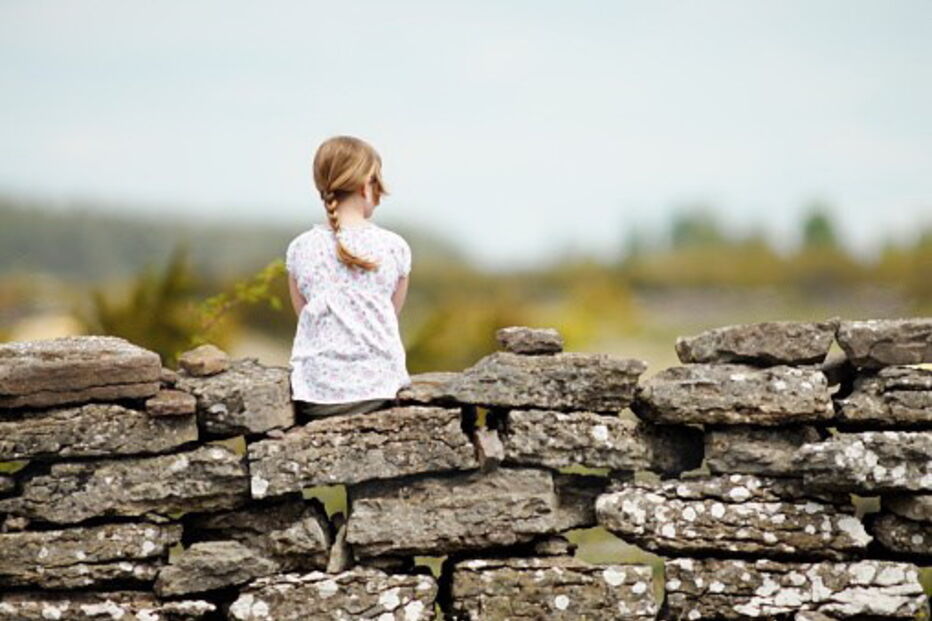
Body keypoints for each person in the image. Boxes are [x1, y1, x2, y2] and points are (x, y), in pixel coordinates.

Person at [285, 135, 412, 419]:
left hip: (314, 396)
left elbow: (305, 319)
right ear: (366, 185)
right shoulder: (394, 246)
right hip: (378, 391)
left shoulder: (299, 248)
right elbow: (389, 318)